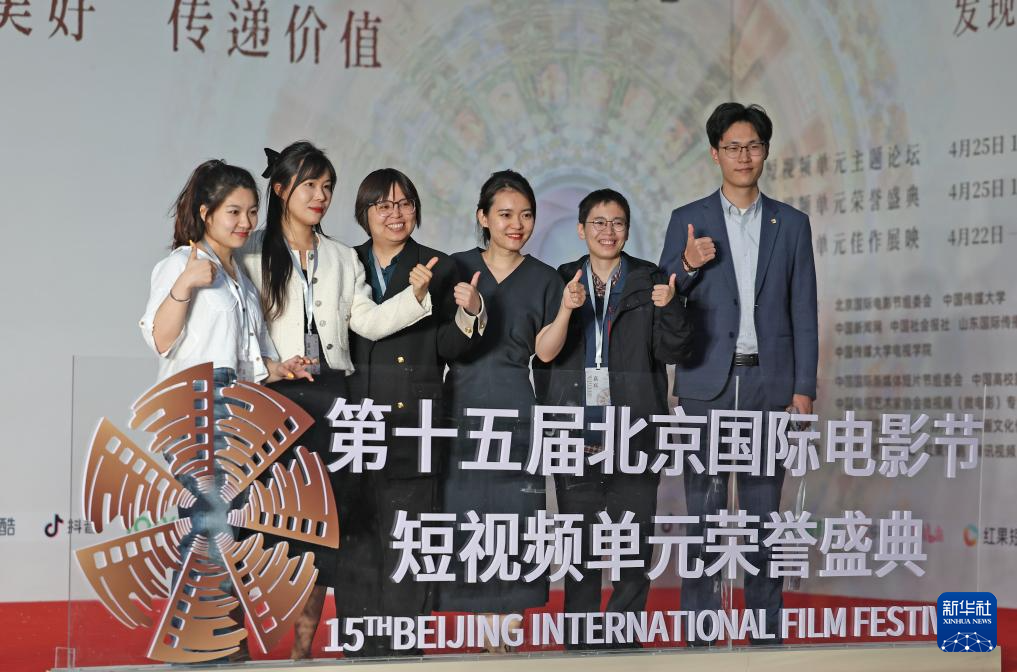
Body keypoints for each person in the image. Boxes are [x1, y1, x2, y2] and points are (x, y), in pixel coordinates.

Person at [238, 142, 436, 659]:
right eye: (309, 185)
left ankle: (332, 645)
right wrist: (267, 367)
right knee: (267, 525)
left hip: (333, 401)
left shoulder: (342, 256)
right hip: (273, 400)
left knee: (336, 524)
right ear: (281, 189)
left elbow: (367, 321)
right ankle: (241, 644)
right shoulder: (249, 253)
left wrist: (416, 296)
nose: (320, 196)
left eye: (327, 187)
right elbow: (238, 331)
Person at [139, 159, 311, 662]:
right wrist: (185, 286)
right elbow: (160, 339)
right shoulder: (182, 264)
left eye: (252, 211)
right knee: (208, 531)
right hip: (194, 409)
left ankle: (217, 647)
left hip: (238, 409)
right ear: (205, 212)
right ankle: (201, 652)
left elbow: (246, 358)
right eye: (234, 211)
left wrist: (282, 368)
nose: (245, 222)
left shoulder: (238, 276)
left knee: (227, 533)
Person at [658, 103, 818, 643]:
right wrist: (687, 265)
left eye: (752, 146)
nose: (743, 156)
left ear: (765, 151)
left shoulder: (791, 224)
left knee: (762, 519)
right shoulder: (688, 219)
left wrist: (803, 388)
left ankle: (765, 635)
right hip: (706, 384)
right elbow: (663, 295)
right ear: (715, 153)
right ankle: (699, 637)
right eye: (732, 147)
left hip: (768, 386)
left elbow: (804, 310)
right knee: (703, 517)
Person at [537, 188, 692, 649]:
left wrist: (671, 307)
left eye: (617, 222)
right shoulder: (561, 280)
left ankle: (624, 642)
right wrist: (565, 306)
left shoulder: (650, 280)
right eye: (598, 223)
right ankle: (581, 643)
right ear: (581, 229)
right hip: (577, 435)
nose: (608, 231)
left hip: (634, 435)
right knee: (580, 550)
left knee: (632, 549)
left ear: (627, 229)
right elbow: (544, 353)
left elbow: (672, 352)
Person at [344, 168, 485, 657]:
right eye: (383, 205)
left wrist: (470, 312)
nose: (395, 214)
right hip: (354, 424)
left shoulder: (439, 265)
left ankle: (405, 653)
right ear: (364, 213)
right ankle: (359, 651)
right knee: (358, 544)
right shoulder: (345, 262)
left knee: (408, 543)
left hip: (413, 423)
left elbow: (451, 347)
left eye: (404, 204)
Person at [440, 170, 581, 651]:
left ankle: (508, 648)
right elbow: (440, 342)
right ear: (483, 217)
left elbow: (545, 352)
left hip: (518, 409)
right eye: (504, 214)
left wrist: (566, 310)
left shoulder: (544, 278)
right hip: (461, 409)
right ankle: (484, 645)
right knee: (467, 520)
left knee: (517, 521)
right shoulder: (456, 268)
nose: (516, 224)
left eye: (525, 215)